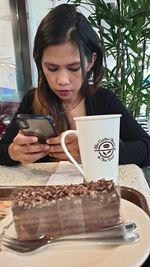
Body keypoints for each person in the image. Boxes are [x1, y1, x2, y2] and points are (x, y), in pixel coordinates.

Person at [0, 3, 150, 167]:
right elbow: (3, 149)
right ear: (40, 63)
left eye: (74, 68)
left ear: (91, 61)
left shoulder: (104, 100)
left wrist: (91, 151)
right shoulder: (32, 100)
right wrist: (13, 152)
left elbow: (146, 148)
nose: (62, 80)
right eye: (52, 68)